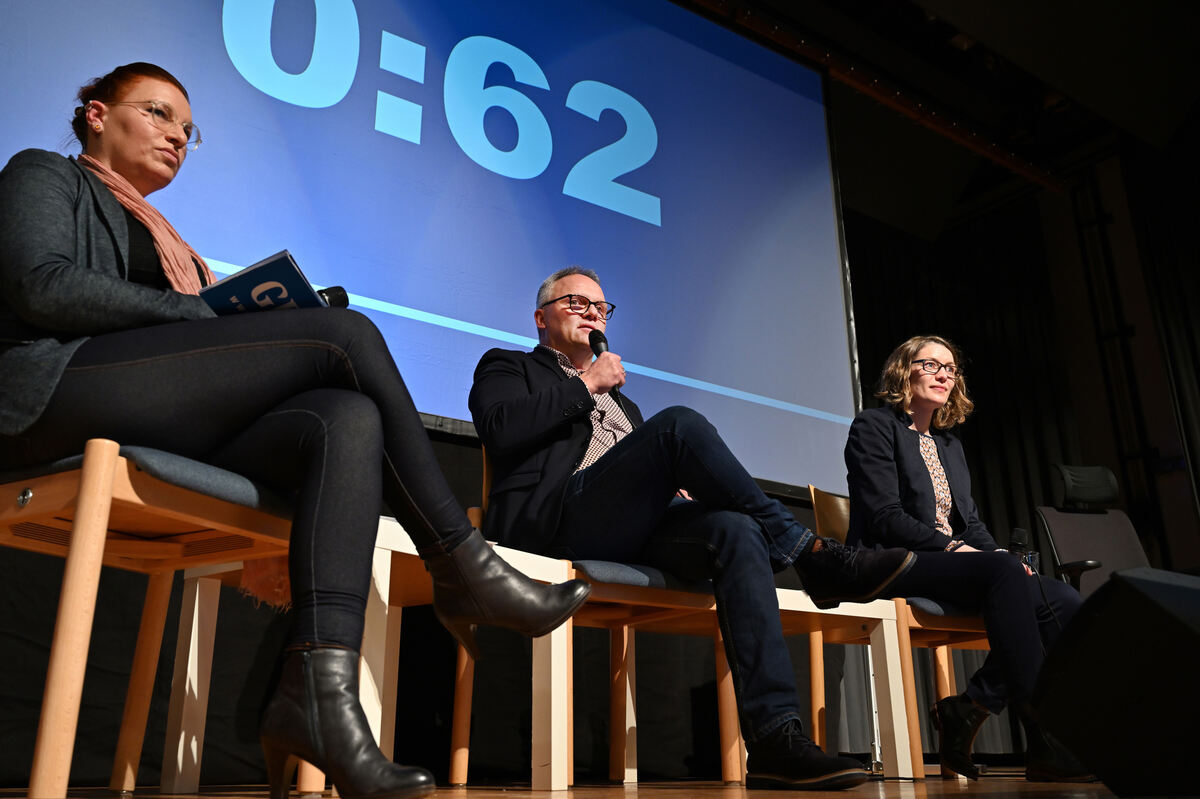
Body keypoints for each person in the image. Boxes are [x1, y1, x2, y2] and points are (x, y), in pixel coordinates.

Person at [0, 63, 591, 799]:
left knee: (346, 418)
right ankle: (459, 561)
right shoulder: (43, 173)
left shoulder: (171, 241)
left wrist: (229, 309)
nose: (177, 136)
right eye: (157, 113)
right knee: (345, 335)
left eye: (188, 129)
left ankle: (317, 688)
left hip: (147, 410)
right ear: (95, 114)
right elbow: (42, 286)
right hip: (50, 391)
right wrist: (208, 313)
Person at [468, 265, 917, 790]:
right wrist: (588, 384)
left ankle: (774, 740)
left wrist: (667, 489)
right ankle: (810, 553)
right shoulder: (510, 365)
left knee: (735, 530)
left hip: (629, 527)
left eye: (601, 307)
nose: (592, 313)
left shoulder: (625, 404)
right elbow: (499, 429)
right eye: (576, 303)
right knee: (678, 424)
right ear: (541, 318)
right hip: (555, 522)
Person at [844, 334, 1090, 782]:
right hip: (894, 560)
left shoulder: (949, 445)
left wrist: (996, 553)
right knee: (1004, 572)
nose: (944, 375)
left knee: (1062, 601)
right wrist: (957, 548)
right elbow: (884, 516)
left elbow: (969, 521)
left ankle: (971, 704)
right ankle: (1042, 737)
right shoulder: (873, 427)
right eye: (931, 365)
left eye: (951, 369)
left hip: (950, 564)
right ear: (903, 370)